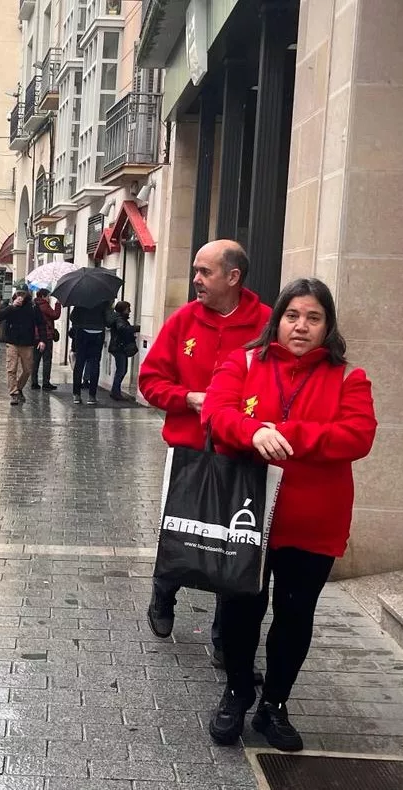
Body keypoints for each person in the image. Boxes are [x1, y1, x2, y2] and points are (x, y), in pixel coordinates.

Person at [201, 278, 376, 751]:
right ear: (277, 320)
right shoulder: (243, 362)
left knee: (295, 616)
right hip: (248, 517)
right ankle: (237, 693)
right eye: (292, 316)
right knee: (240, 610)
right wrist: (252, 432)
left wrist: (286, 433)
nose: (301, 326)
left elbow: (358, 435)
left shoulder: (349, 378)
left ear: (328, 326)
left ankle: (274, 705)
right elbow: (216, 412)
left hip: (313, 522)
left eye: (313, 318)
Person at [138, 239, 271, 655]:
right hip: (187, 453)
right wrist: (188, 398)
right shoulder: (183, 320)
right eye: (195, 270)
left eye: (204, 272)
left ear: (233, 277)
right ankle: (164, 592)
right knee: (182, 532)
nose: (195, 279)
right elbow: (150, 381)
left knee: (234, 543)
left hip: (242, 453)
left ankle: (223, 637)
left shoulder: (266, 323)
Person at [0, 290, 49, 406]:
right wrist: (12, 306)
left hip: (27, 343)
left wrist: (42, 340)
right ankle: (14, 394)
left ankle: (19, 388)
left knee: (28, 369)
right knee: (11, 369)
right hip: (12, 342)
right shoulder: (10, 306)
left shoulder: (33, 307)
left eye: (21, 296)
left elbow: (41, 324)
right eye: (17, 296)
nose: (19, 299)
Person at [69, 301, 109, 405]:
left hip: (82, 333)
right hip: (98, 334)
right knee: (95, 364)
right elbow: (109, 320)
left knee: (79, 363)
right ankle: (92, 396)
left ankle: (76, 395)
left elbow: (72, 317)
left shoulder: (81, 300)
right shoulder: (104, 301)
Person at [107, 301, 139, 400]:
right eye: (128, 309)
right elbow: (123, 329)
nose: (129, 311)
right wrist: (136, 328)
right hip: (119, 348)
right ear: (123, 309)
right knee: (121, 370)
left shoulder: (118, 318)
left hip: (118, 347)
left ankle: (115, 391)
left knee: (121, 370)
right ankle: (115, 392)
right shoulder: (119, 319)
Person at [32, 289, 61, 391]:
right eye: (48, 296)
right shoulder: (44, 305)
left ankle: (34, 382)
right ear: (43, 296)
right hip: (46, 336)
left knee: (35, 360)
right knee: (47, 360)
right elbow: (55, 315)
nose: (49, 298)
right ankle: (46, 383)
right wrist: (58, 304)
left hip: (35, 336)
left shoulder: (34, 305)